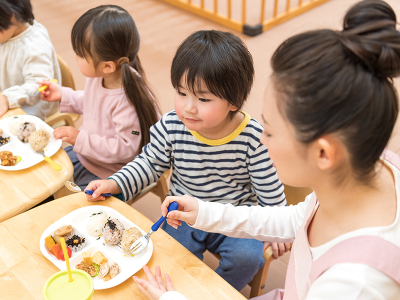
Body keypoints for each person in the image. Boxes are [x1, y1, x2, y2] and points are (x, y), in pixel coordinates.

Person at [134, 0, 400, 299]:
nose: (262, 140)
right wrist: (204, 212)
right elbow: (299, 218)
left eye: (270, 131)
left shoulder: (355, 285)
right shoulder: (370, 168)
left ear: (324, 153)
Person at [86, 30, 287, 291]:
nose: (189, 107)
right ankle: (182, 292)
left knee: (248, 259)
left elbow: (269, 189)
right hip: (182, 213)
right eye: (181, 93)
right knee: (168, 256)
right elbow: (149, 163)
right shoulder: (172, 124)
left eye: (203, 98)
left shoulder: (253, 139)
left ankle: (215, 294)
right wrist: (114, 183)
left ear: (234, 102)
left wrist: (279, 226)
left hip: (235, 218)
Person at [39, 5, 160, 190]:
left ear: (108, 66)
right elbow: (93, 103)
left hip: (111, 171)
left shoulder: (127, 100)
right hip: (87, 154)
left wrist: (80, 139)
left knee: (62, 198)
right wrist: (63, 94)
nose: (75, 57)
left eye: (80, 55)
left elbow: (126, 149)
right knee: (43, 175)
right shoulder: (101, 77)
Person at [0, 0, 61, 120]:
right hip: (7, 99)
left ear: (9, 17)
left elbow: (38, 86)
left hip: (30, 110)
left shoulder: (34, 46)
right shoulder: (7, 34)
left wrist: (8, 98)